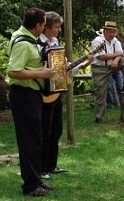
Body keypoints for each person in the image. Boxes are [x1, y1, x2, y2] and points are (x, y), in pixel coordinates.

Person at [7, 7, 55, 197]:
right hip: (23, 94)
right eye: (44, 24)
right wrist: (40, 74)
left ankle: (36, 180)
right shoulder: (22, 43)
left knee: (36, 138)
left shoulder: (26, 37)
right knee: (29, 140)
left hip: (32, 94)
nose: (45, 27)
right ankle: (30, 185)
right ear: (38, 25)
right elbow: (12, 71)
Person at [39, 11, 92, 178]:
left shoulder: (55, 42)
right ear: (46, 28)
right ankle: (41, 168)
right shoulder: (37, 44)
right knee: (44, 132)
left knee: (56, 130)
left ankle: (51, 165)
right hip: (42, 92)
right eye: (56, 27)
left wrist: (83, 64)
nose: (59, 30)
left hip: (56, 91)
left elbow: (64, 66)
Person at [90, 21, 124, 123]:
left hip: (112, 65)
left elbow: (121, 55)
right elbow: (101, 56)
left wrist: (115, 60)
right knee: (101, 92)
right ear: (105, 31)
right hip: (100, 68)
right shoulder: (97, 41)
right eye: (110, 32)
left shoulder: (116, 41)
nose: (112, 34)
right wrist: (117, 54)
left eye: (113, 32)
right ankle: (99, 116)